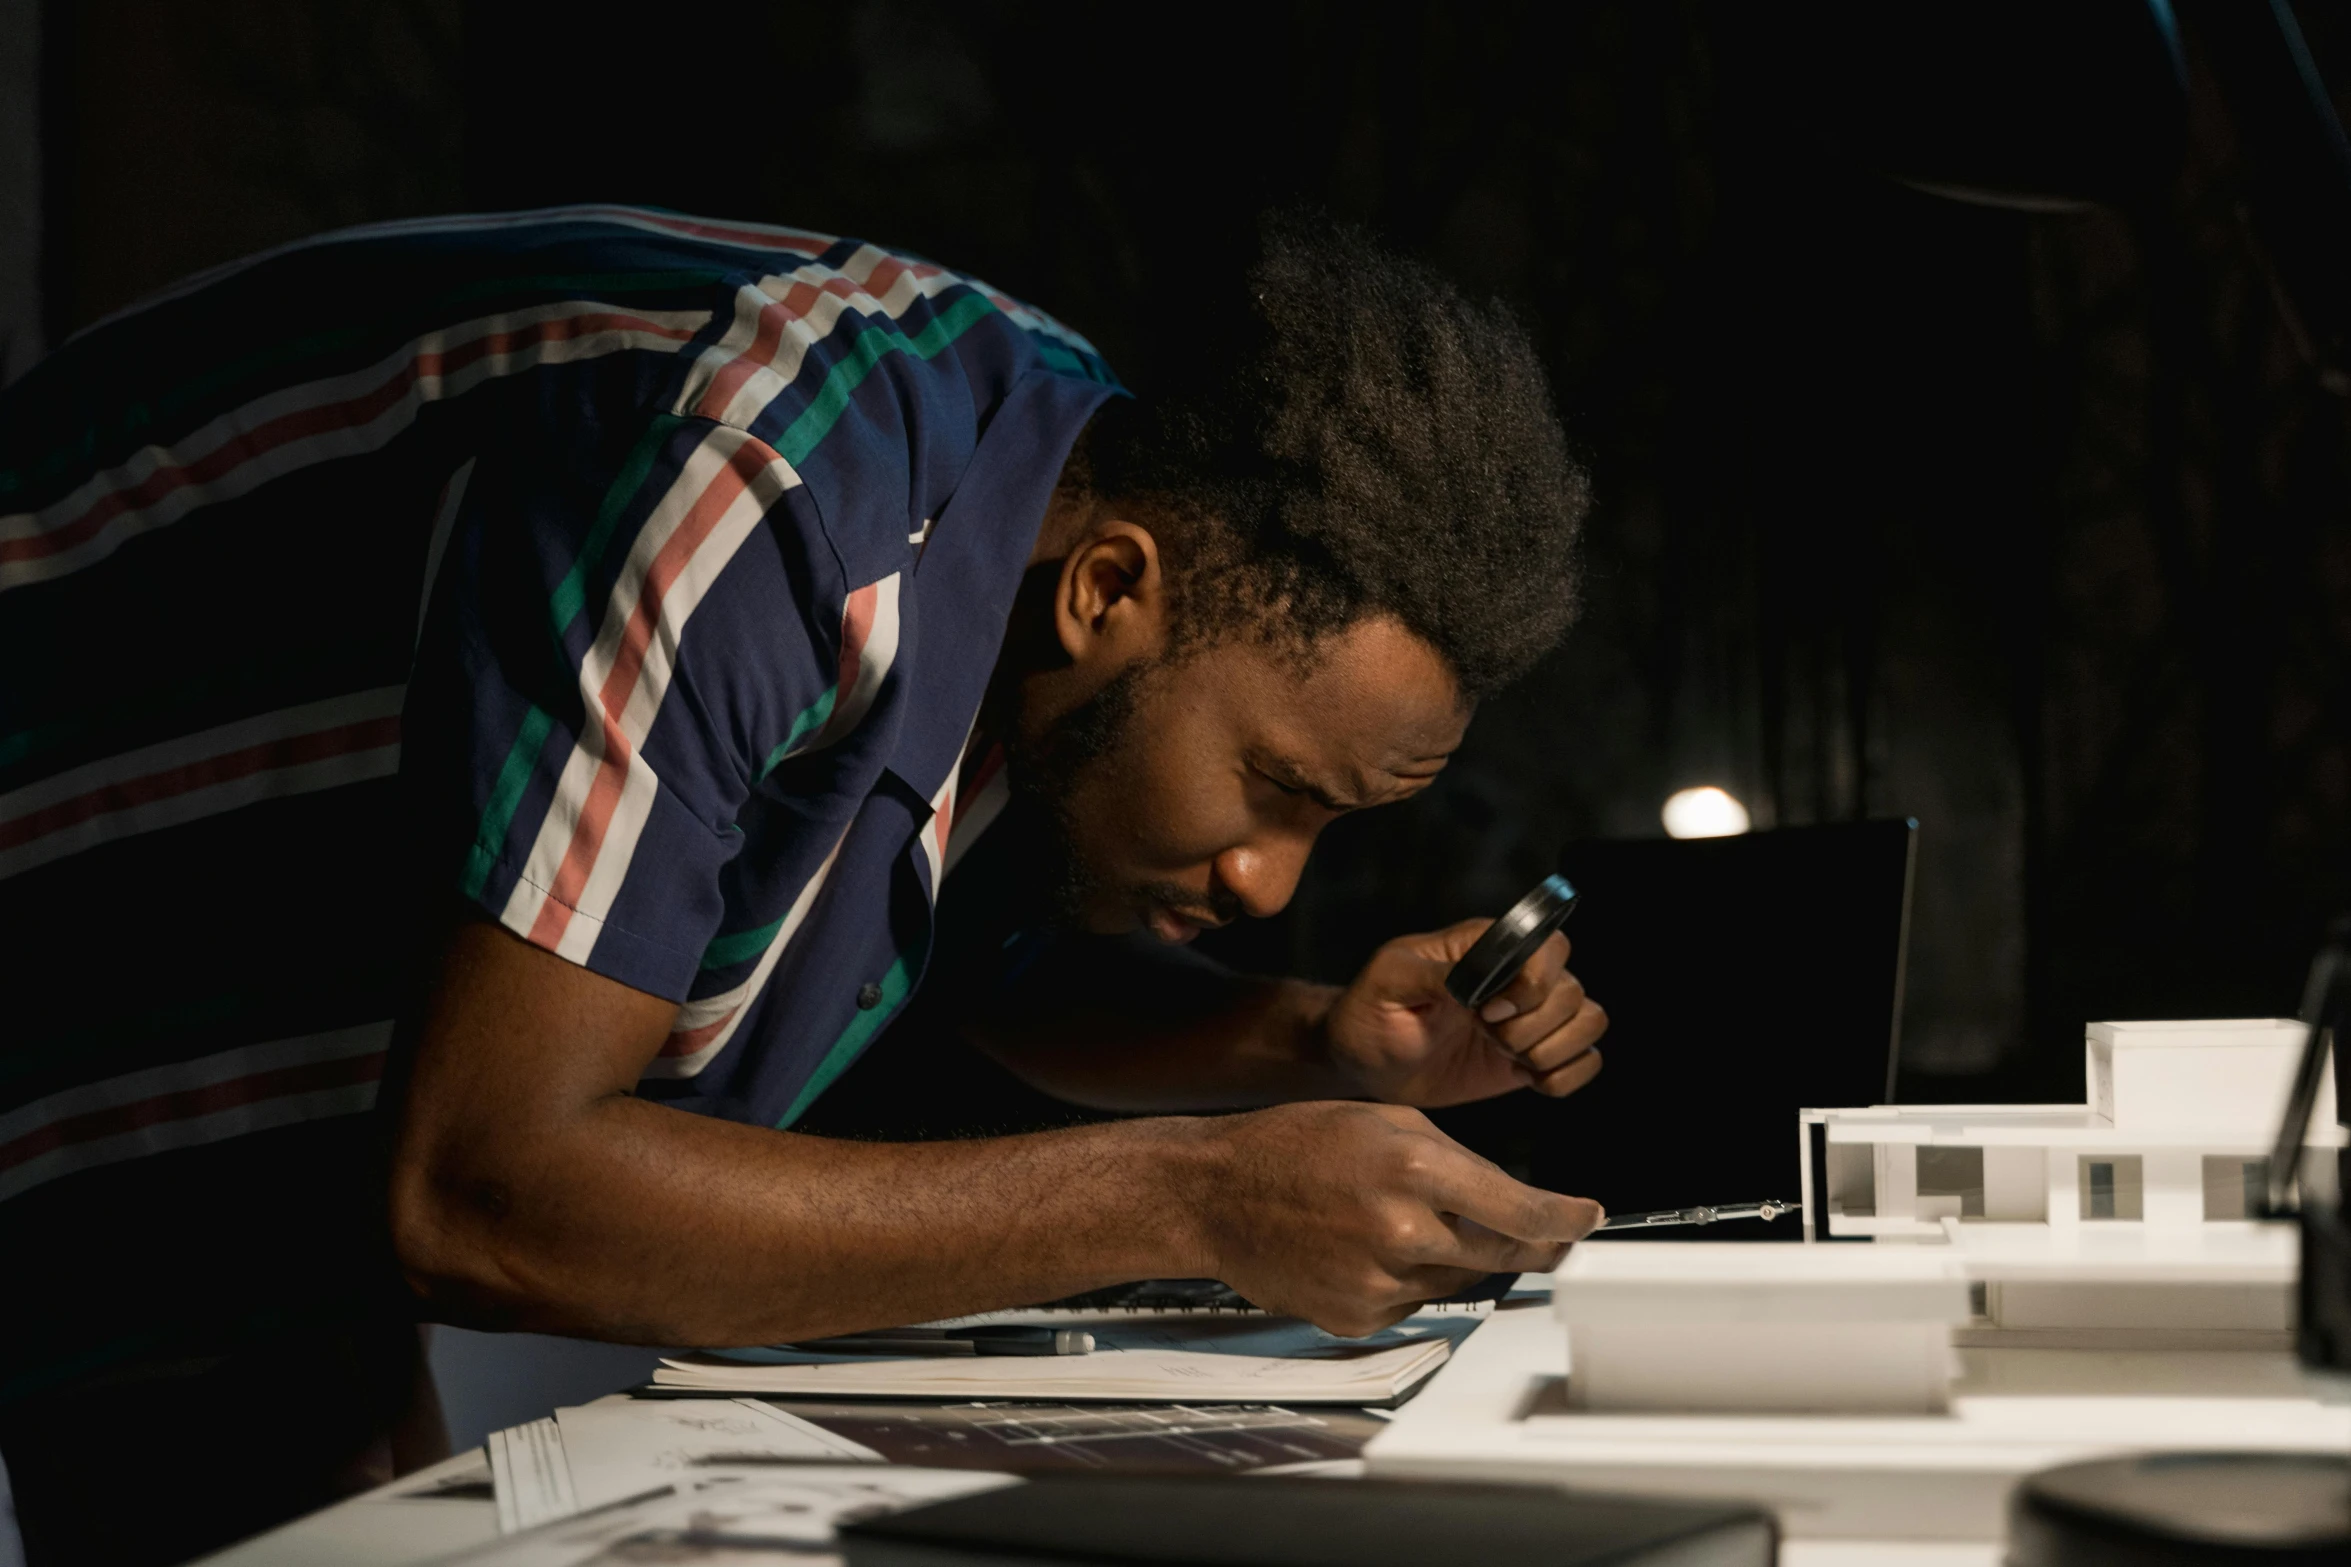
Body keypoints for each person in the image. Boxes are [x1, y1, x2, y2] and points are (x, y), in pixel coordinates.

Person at [0, 206, 1606, 1564]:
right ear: (1114, 589)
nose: (1268, 879)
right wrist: (1194, 1191)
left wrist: (1314, 1037)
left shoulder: (1045, 497)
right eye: (1276, 787)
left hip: (230, 1207)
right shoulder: (757, 483)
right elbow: (487, 1183)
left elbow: (968, 970)